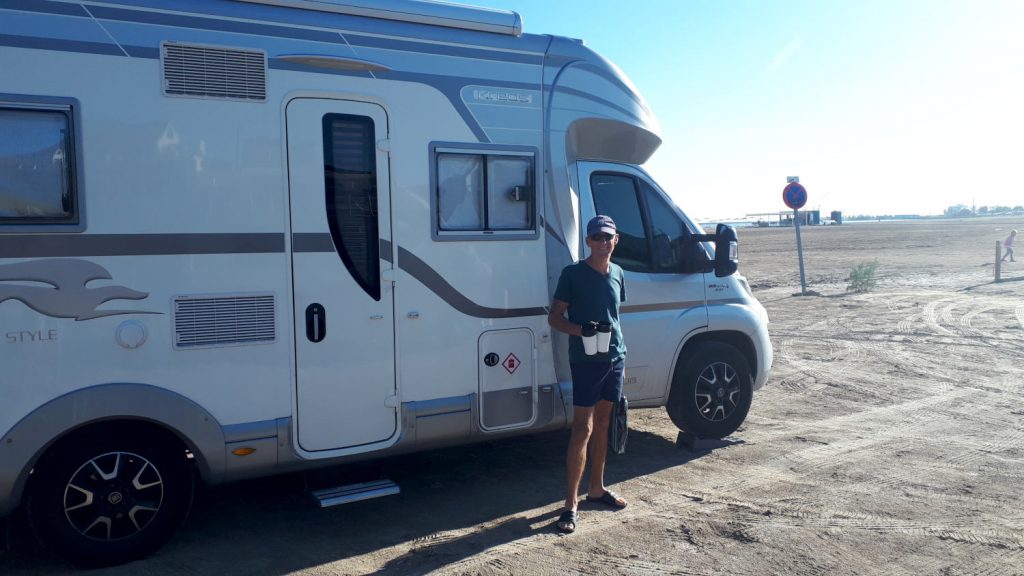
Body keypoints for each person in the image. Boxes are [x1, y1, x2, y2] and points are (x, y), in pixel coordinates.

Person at [548, 215, 628, 534]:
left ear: (616, 240)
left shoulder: (619, 273)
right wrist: (581, 331)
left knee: (604, 423)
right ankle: (570, 505)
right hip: (586, 360)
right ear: (588, 242)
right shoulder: (573, 274)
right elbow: (554, 319)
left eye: (608, 237)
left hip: (615, 358)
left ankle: (596, 489)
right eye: (597, 238)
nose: (603, 243)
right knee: (582, 428)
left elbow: (614, 315)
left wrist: (620, 348)